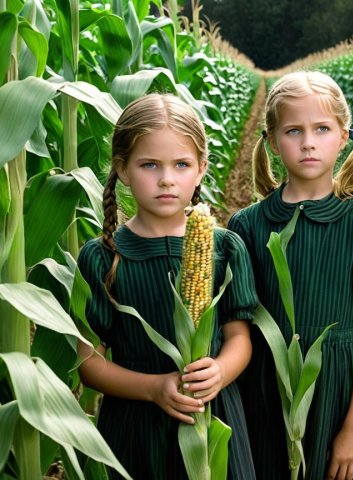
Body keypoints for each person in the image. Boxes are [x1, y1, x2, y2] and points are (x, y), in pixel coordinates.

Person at [227, 70, 353, 479]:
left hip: (338, 390)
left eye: (322, 128)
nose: (307, 142)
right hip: (265, 390)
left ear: (343, 137)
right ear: (270, 140)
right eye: (293, 130)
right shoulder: (247, 226)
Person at [77, 93, 258, 479]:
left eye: (181, 164)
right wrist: (153, 388)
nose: (166, 179)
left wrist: (221, 371)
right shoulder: (101, 257)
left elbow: (240, 338)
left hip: (211, 418)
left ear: (201, 168)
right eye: (149, 165)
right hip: (136, 424)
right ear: (122, 169)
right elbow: (89, 363)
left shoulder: (225, 248)